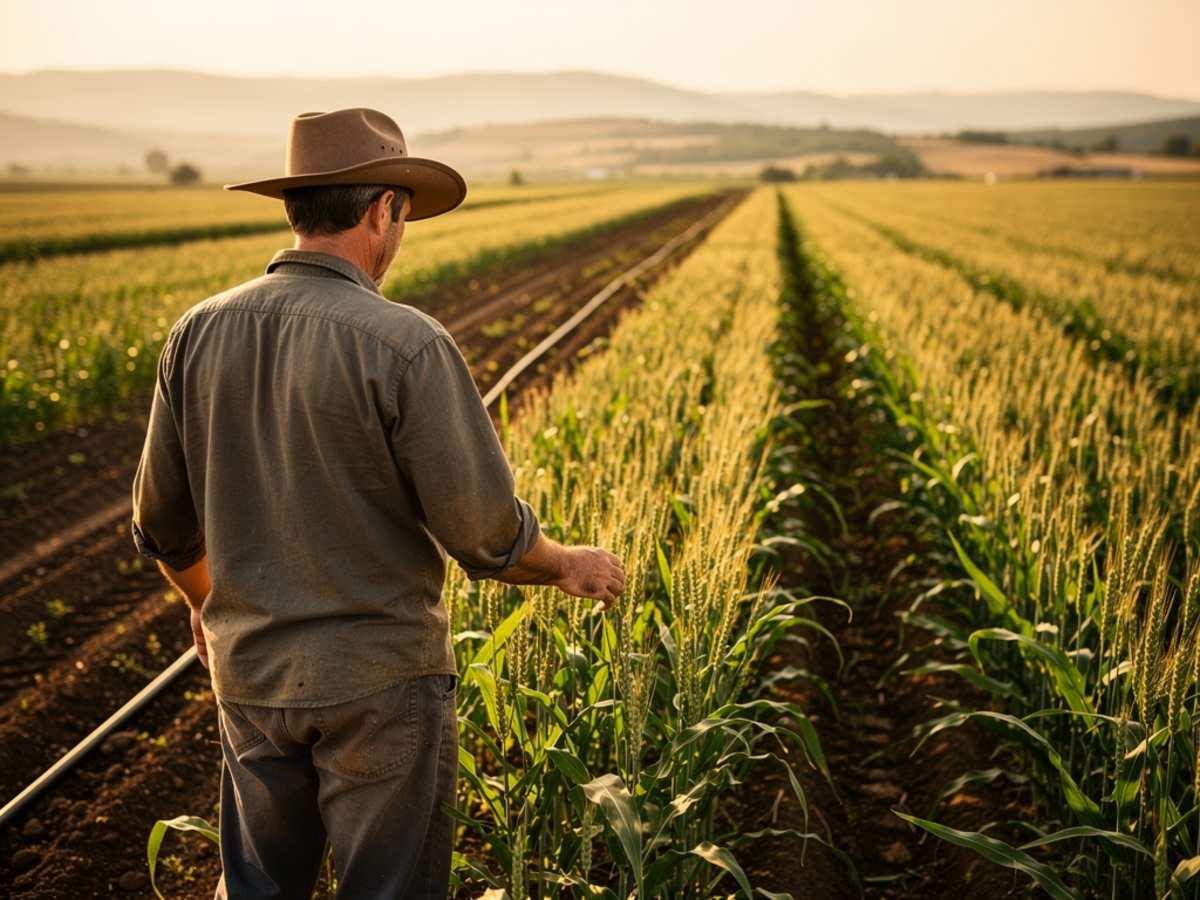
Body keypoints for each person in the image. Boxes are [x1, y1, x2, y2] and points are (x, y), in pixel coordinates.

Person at [130, 107, 625, 899]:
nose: (401, 231)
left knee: (257, 888)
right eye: (403, 213)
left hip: (251, 679)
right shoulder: (406, 343)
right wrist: (567, 564)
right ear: (379, 211)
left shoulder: (195, 334)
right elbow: (484, 531)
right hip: (381, 686)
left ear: (297, 209)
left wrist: (206, 603)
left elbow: (161, 524)